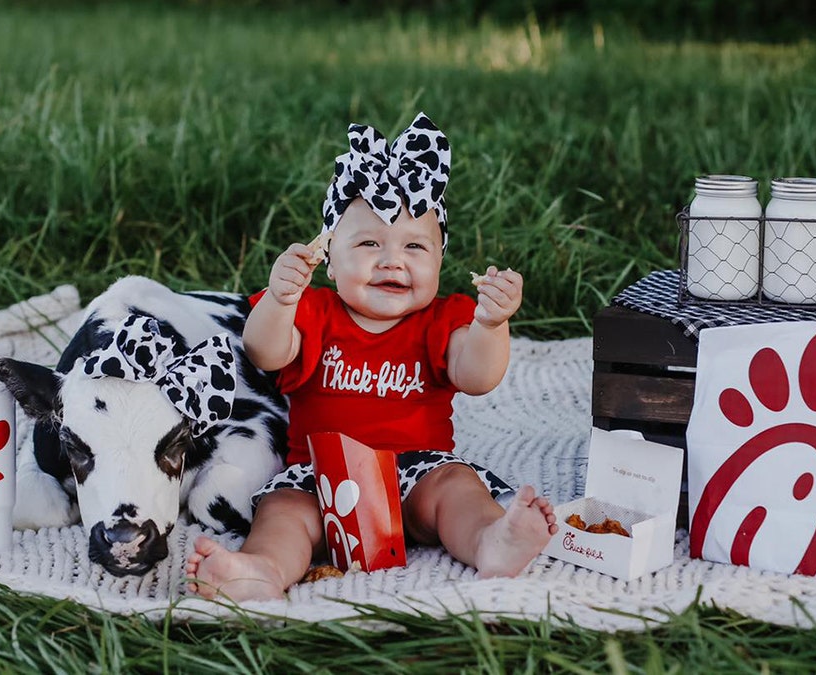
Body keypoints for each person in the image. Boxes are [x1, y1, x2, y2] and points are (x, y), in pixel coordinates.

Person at [186, 113, 557, 601]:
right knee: (283, 512)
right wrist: (280, 300)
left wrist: (491, 324)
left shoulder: (443, 320)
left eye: (415, 247)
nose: (392, 260)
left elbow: (478, 375)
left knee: (459, 488)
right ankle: (262, 570)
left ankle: (494, 541)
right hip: (321, 480)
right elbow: (265, 352)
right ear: (330, 257)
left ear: (440, 261)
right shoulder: (315, 312)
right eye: (368, 243)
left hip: (415, 474)